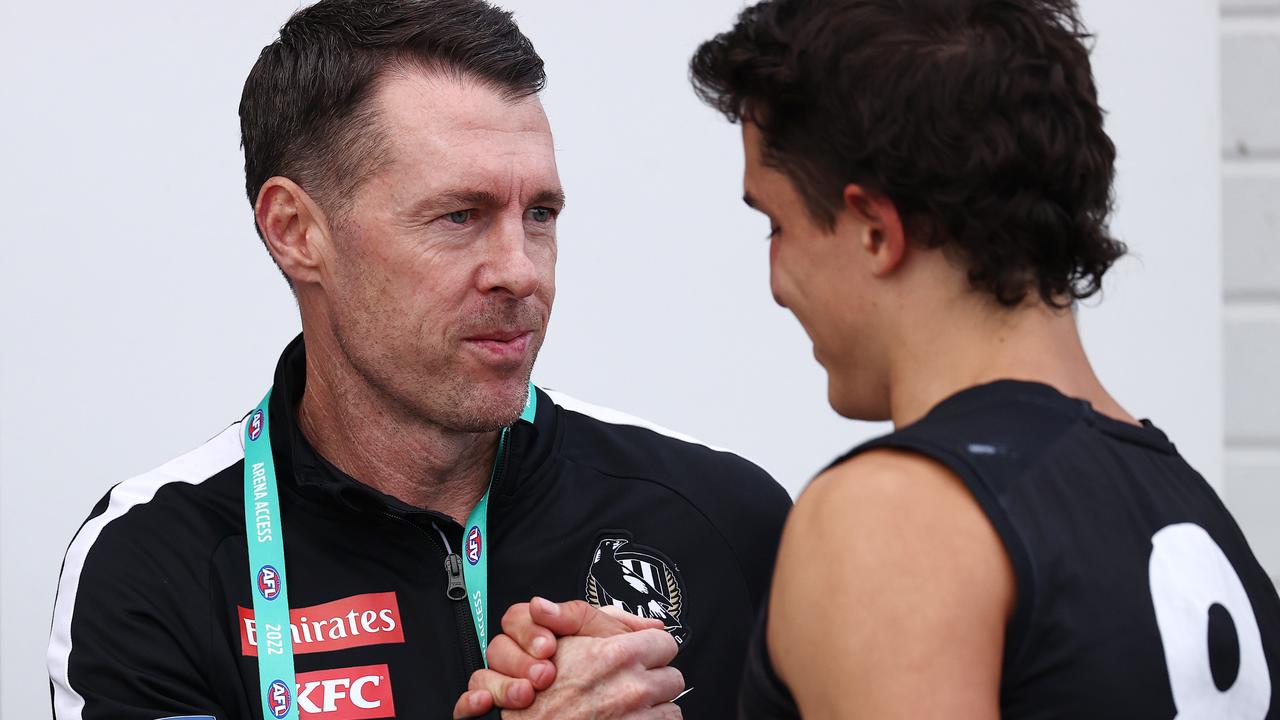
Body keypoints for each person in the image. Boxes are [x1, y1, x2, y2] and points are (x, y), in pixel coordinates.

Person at [465, 0, 1280, 717]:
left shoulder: (895, 518)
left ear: (874, 232)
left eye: (776, 222)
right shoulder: (1184, 501)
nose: (776, 281)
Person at [46, 1, 791, 718]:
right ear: (296, 231)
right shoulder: (155, 560)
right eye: (460, 216)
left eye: (539, 214)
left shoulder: (723, 517)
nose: (520, 270)